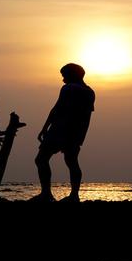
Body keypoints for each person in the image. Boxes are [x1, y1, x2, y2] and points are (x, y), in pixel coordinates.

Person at [31, 63, 95, 202]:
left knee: (41, 159)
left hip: (59, 130)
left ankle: (46, 194)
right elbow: (86, 116)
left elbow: (57, 109)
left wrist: (45, 128)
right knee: (72, 162)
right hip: (76, 133)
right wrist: (79, 135)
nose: (63, 79)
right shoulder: (90, 92)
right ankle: (74, 195)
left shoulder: (68, 88)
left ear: (72, 75)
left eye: (64, 76)